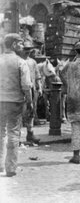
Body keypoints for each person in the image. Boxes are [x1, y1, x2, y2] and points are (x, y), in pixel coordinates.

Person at [0, 34, 32, 177]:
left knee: (0, 133)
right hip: (15, 102)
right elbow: (26, 86)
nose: (22, 46)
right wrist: (30, 102)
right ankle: (10, 168)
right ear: (13, 45)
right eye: (20, 44)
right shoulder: (21, 62)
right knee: (13, 133)